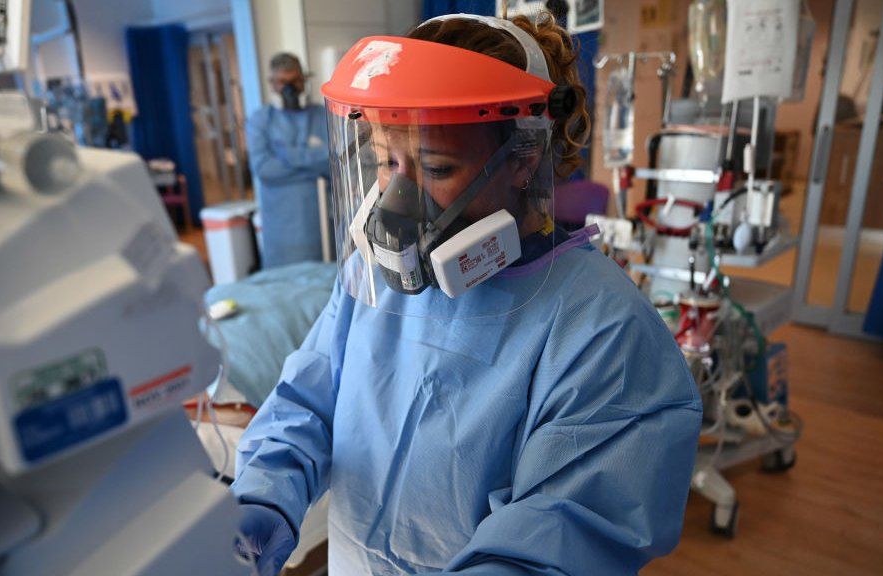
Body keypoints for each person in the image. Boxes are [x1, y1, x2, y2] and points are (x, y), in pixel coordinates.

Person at [232, 13, 701, 576]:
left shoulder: (605, 333)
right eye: (386, 161)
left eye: (435, 166)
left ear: (523, 159)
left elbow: (561, 537)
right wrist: (265, 492)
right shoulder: (370, 278)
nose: (397, 197)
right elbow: (307, 402)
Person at [246, 52, 331, 268]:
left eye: (295, 81)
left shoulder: (323, 116)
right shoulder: (261, 120)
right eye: (283, 82)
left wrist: (287, 155)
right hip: (281, 228)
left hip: (320, 221)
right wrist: (315, 162)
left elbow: (335, 164)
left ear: (304, 81)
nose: (290, 89)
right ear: (272, 84)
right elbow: (265, 169)